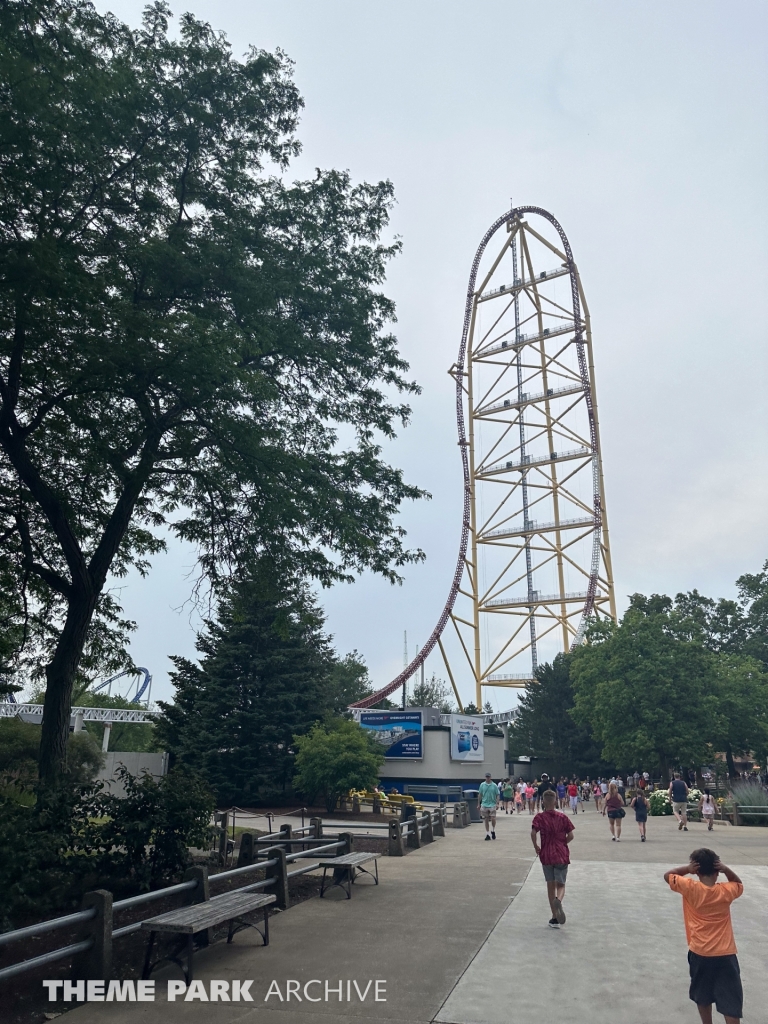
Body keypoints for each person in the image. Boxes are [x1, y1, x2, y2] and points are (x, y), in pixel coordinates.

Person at [664, 849, 744, 1024]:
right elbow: (738, 883)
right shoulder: (726, 890)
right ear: (717, 871)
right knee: (731, 999)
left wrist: (687, 868)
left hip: (699, 952)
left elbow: (668, 875)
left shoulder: (689, 887)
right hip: (725, 953)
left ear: (697, 871)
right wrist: (727, 869)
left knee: (703, 995)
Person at [531, 789, 574, 929]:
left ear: (543, 801)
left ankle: (554, 918)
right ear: (555, 801)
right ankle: (559, 900)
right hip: (561, 854)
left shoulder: (539, 818)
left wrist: (536, 846)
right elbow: (571, 835)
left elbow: (532, 833)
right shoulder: (563, 818)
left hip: (547, 855)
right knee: (561, 884)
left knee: (550, 885)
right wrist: (563, 844)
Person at [479, 772, 499, 840]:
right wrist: (478, 804)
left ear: (490, 777)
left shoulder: (494, 785)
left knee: (493, 818)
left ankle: (493, 830)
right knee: (486, 818)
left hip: (492, 804)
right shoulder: (482, 785)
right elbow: (480, 794)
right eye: (486, 777)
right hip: (484, 803)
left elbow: (497, 794)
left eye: (488, 777)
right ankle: (487, 834)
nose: (487, 778)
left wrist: (497, 803)